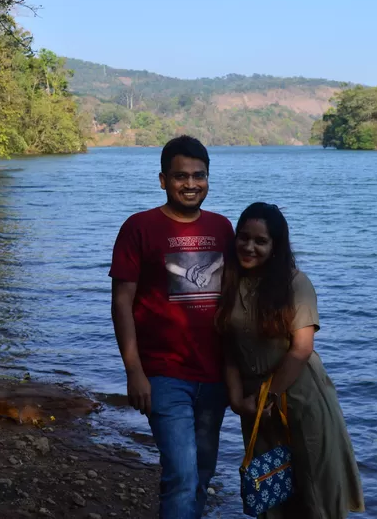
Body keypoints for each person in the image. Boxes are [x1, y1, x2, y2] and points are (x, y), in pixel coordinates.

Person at [110, 135, 235, 519]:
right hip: (163, 375)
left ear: (209, 178)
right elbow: (121, 303)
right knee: (181, 474)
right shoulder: (139, 227)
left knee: (201, 474)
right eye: (181, 176)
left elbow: (239, 298)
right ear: (163, 180)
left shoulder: (223, 227)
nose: (191, 184)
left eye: (199, 175)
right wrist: (134, 373)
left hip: (215, 377)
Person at [217, 202, 365, 518]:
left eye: (260, 241)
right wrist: (236, 400)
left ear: (275, 246)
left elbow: (301, 349)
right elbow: (228, 348)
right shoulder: (229, 282)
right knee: (271, 494)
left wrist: (264, 398)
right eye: (243, 237)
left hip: (302, 398)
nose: (249, 246)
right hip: (257, 406)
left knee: (316, 491)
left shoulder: (295, 284)